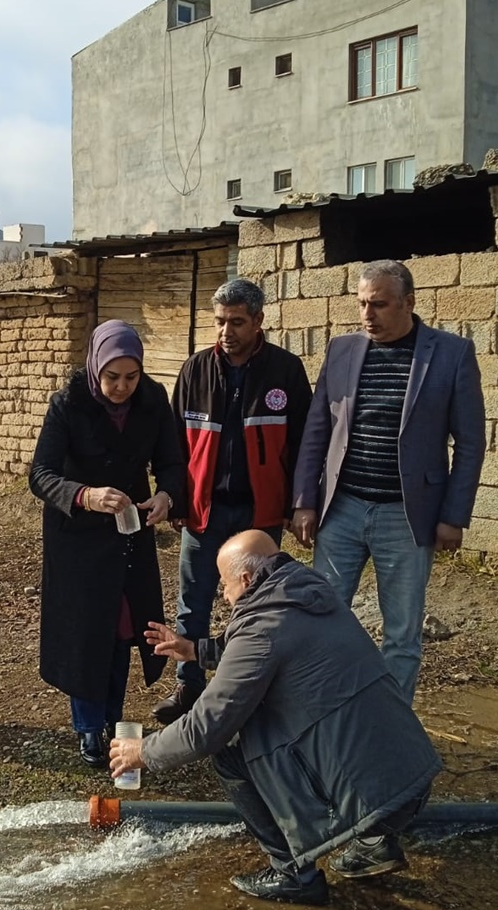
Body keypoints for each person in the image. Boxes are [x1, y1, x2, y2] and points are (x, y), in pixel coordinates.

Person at [110, 530, 441, 905]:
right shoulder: (310, 592)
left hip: (377, 801)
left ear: (248, 580)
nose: (222, 592)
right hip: (412, 780)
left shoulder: (262, 630)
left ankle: (293, 873)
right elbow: (267, 647)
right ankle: (375, 843)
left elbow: (206, 726)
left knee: (233, 747)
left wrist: (144, 752)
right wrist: (195, 651)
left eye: (225, 582)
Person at [291, 259, 486, 704]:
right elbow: (317, 429)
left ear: (409, 303)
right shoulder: (342, 349)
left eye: (378, 305)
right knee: (321, 616)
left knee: (401, 632)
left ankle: (390, 733)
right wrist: (305, 500)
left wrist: (453, 516)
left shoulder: (452, 354)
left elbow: (471, 443)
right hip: (341, 510)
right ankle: (326, 716)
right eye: (361, 304)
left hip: (407, 516)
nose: (367, 315)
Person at [155, 277, 312, 725]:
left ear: (259, 321)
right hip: (205, 512)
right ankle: (189, 688)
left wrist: (299, 501)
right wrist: (178, 499)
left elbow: (304, 443)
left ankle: (249, 691)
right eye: (221, 321)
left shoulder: (285, 370)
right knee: (195, 601)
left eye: (237, 322)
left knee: (257, 607)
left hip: (260, 515)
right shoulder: (196, 369)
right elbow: (175, 446)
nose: (227, 331)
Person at [29, 320, 185, 768]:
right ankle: (87, 727)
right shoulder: (68, 404)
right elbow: (40, 475)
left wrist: (166, 495)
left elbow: (172, 461)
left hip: (130, 533)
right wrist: (85, 495)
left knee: (123, 628)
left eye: (131, 377)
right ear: (95, 367)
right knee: (85, 631)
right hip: (77, 539)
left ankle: (113, 721)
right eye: (112, 377)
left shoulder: (152, 401)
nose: (121, 387)